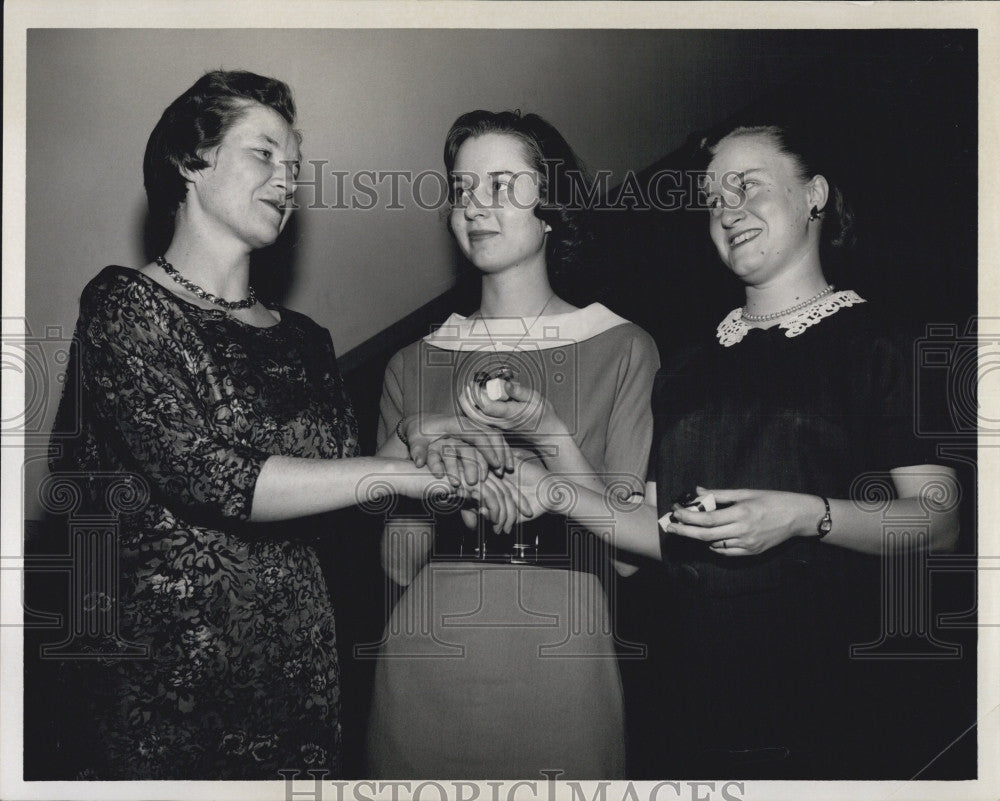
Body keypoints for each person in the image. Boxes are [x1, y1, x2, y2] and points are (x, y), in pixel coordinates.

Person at [46, 71, 521, 780]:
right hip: (161, 694)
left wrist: (418, 433)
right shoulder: (124, 307)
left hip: (300, 684)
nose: (287, 178)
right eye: (264, 153)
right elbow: (217, 476)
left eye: (295, 165)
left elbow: (338, 491)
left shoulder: (305, 338)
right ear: (189, 159)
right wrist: (400, 469)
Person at [646, 123, 960, 778]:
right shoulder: (681, 369)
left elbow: (938, 522)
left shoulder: (883, 343)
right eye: (712, 199)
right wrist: (544, 471)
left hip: (837, 713)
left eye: (746, 186)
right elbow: (656, 529)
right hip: (694, 717)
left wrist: (802, 514)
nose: (726, 209)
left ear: (814, 194)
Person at [365, 110, 661, 779]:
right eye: (463, 189)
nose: (475, 206)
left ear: (550, 206)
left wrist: (543, 451)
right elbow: (398, 559)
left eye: (501, 185)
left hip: (562, 660)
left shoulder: (623, 346)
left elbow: (632, 562)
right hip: (425, 659)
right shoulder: (410, 362)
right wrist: (422, 457)